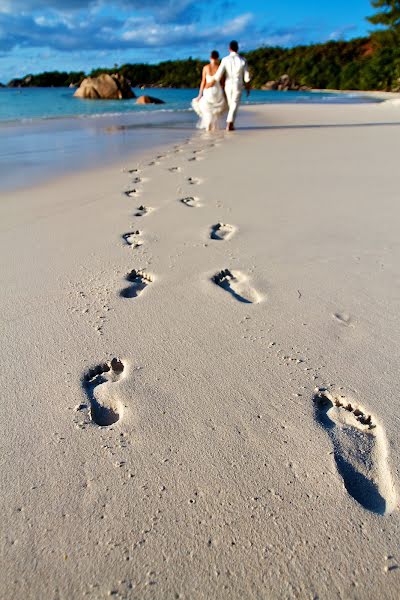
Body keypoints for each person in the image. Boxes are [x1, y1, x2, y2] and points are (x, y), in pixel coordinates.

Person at [211, 40, 251, 131]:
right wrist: (248, 88)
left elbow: (218, 75)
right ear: (237, 48)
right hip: (238, 84)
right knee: (234, 104)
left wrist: (211, 83)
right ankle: (230, 123)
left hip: (228, 84)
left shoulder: (225, 59)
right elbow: (247, 76)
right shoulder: (242, 60)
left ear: (229, 49)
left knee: (231, 104)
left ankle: (230, 122)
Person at [192, 50, 227, 131]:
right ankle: (213, 125)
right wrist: (225, 94)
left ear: (210, 57)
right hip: (217, 90)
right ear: (218, 58)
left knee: (207, 109)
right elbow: (223, 83)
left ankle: (208, 125)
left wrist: (200, 95)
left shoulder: (206, 67)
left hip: (208, 91)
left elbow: (203, 82)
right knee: (215, 110)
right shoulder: (219, 68)